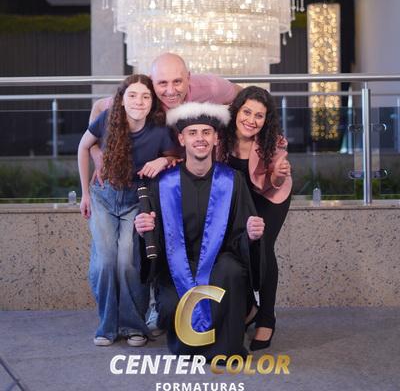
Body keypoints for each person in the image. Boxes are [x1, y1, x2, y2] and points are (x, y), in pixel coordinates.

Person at [134, 102, 265, 359]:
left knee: (231, 271)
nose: (200, 139)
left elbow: (239, 237)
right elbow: (154, 243)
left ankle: (226, 349)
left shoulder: (232, 181)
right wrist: (142, 231)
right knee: (172, 307)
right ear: (182, 139)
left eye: (206, 132)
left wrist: (250, 236)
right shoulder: (163, 184)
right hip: (176, 270)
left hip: (218, 266)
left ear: (216, 138)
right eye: (192, 133)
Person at [78, 74, 177, 347]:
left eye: (145, 96)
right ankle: (107, 326)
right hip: (104, 197)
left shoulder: (159, 130)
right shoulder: (108, 119)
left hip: (136, 200)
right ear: (122, 99)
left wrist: (163, 160)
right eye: (132, 95)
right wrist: (85, 193)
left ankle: (134, 325)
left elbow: (174, 157)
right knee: (105, 261)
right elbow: (83, 146)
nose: (139, 102)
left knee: (127, 262)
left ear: (152, 102)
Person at [218, 86, 292, 352]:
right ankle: (250, 307)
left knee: (262, 246)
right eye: (246, 112)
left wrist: (279, 174)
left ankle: (266, 318)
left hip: (269, 196)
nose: (251, 120)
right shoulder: (220, 134)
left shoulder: (273, 142)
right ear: (236, 110)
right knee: (235, 248)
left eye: (259, 116)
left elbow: (274, 181)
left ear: (266, 120)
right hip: (238, 198)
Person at [89, 52, 241, 121]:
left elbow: (245, 95)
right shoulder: (141, 95)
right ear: (151, 80)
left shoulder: (211, 86)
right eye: (162, 83)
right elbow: (98, 107)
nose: (171, 91)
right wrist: (97, 152)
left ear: (188, 77)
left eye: (177, 82)